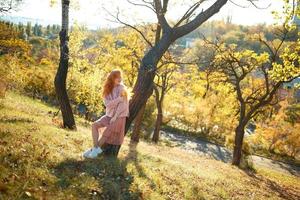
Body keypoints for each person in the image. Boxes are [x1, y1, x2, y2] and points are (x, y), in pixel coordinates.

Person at [83, 69, 129, 158]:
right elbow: (107, 104)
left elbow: (122, 105)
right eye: (116, 77)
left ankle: (94, 152)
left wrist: (115, 116)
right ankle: (95, 149)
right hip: (109, 115)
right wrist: (118, 100)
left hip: (119, 117)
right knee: (94, 125)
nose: (119, 79)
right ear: (112, 78)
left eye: (120, 77)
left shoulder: (122, 89)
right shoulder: (107, 89)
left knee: (106, 133)